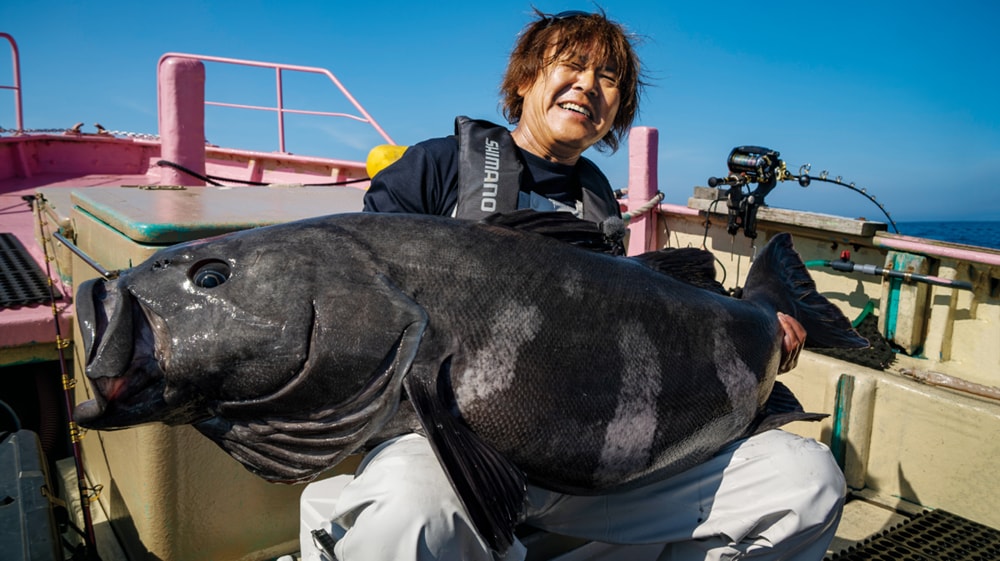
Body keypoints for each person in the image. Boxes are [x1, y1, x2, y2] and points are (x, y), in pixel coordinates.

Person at [322, 9, 844, 561]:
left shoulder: (603, 216)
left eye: (609, 79)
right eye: (571, 66)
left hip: (595, 466)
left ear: (616, 111)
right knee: (411, 506)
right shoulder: (434, 168)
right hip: (446, 449)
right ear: (524, 81)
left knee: (805, 481)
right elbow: (361, 297)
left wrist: (760, 335)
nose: (588, 87)